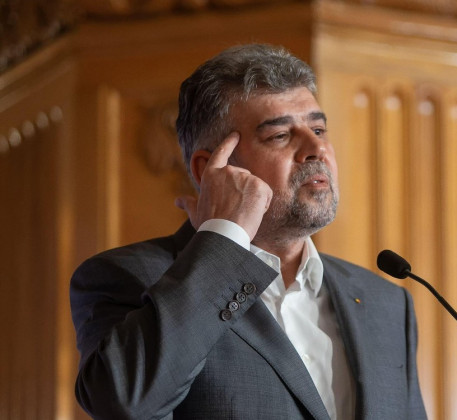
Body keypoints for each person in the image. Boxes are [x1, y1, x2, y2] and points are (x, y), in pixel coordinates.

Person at [70, 44, 427, 420]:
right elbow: (125, 402)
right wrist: (224, 236)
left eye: (319, 129)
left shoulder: (386, 303)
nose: (317, 148)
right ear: (211, 169)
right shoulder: (125, 277)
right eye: (280, 136)